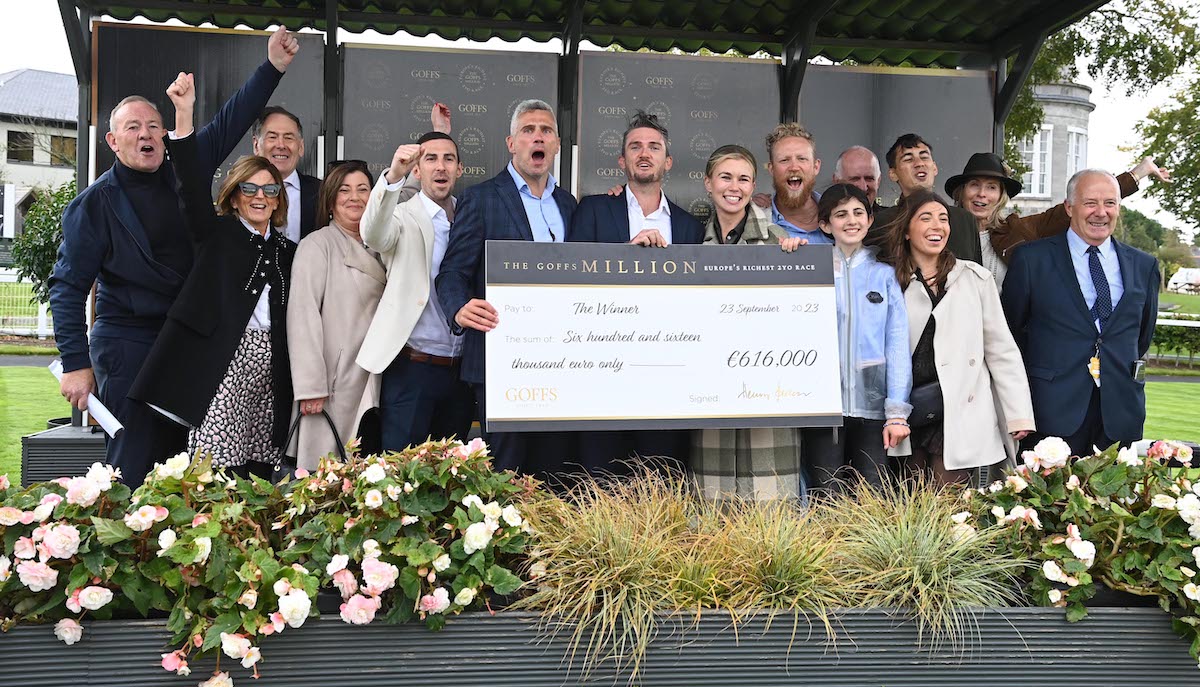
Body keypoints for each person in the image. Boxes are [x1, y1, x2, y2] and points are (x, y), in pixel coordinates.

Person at [47, 28, 298, 485]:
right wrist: (75, 363)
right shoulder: (94, 204)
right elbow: (67, 286)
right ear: (112, 141)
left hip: (191, 343)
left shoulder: (185, 168)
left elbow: (232, 119)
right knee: (134, 466)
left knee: (192, 472)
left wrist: (273, 66)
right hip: (129, 345)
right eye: (133, 128)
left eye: (154, 126)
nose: (146, 135)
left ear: (165, 135)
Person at [129, 72, 296, 478]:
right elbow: (188, 184)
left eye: (270, 191)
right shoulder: (215, 233)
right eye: (250, 189)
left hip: (273, 373)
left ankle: (254, 541)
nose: (260, 197)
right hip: (220, 365)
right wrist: (183, 116)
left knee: (261, 471)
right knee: (214, 472)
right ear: (235, 195)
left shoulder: (290, 252)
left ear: (279, 200)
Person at [435, 99, 577, 477]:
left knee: (555, 473)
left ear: (557, 144)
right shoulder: (480, 199)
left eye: (546, 130)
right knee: (505, 475)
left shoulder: (569, 204)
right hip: (502, 364)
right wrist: (459, 308)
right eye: (528, 130)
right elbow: (451, 273)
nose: (538, 137)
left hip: (562, 363)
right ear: (511, 143)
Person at [568, 109, 704, 473]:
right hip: (602, 375)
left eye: (654, 147)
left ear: (668, 161)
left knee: (663, 479)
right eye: (635, 147)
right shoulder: (593, 210)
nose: (644, 154)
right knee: (600, 481)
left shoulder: (690, 226)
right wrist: (627, 256)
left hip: (668, 378)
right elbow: (571, 286)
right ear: (622, 159)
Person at [1001, 170, 1160, 458]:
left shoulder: (1144, 265)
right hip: (1050, 411)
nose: (1101, 212)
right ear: (1069, 207)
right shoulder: (1031, 259)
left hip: (1119, 413)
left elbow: (1142, 336)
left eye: (1110, 203)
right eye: (1090, 203)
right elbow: (1010, 334)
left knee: (1115, 502)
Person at [880, 190, 1034, 485]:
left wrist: (1018, 414)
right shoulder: (888, 280)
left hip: (960, 408)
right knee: (908, 502)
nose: (937, 226)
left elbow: (1001, 350)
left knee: (951, 504)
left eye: (943, 219)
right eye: (926, 218)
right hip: (909, 411)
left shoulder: (975, 279)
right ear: (907, 230)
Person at [691, 144, 806, 500]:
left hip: (768, 397)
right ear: (708, 183)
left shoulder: (779, 243)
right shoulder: (690, 243)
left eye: (743, 179)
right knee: (712, 516)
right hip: (708, 395)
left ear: (754, 185)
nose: (734, 187)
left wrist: (798, 266)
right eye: (725, 177)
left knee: (772, 514)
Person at [358, 132, 475, 453]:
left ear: (460, 169)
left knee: (451, 478)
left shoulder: (472, 214)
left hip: (462, 372)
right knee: (400, 474)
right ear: (418, 171)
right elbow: (374, 234)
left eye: (449, 159)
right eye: (431, 159)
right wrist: (393, 176)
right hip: (412, 370)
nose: (441, 167)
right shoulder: (402, 215)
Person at [802, 184, 911, 494]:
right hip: (822, 404)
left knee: (872, 492)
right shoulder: (811, 271)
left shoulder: (883, 276)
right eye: (840, 214)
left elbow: (897, 343)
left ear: (870, 219)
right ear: (825, 224)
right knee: (826, 492)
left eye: (858, 213)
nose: (851, 221)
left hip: (874, 407)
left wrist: (897, 411)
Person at [944, 152, 1170, 287]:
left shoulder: (1018, 230)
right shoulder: (941, 232)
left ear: (1000, 196)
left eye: (991, 187)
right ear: (962, 192)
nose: (982, 194)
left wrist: (1138, 173)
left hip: (1004, 339)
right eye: (974, 185)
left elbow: (1083, 201)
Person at [285, 161, 384, 469]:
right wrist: (310, 386)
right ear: (330, 200)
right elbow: (302, 318)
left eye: (363, 189)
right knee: (324, 477)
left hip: (376, 376)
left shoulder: (383, 247)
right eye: (344, 190)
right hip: (333, 382)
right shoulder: (317, 245)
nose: (354, 197)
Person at [866, 133, 983, 265]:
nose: (919, 163)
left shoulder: (964, 219)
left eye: (924, 157)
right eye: (908, 159)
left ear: (934, 168)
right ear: (893, 174)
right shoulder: (880, 223)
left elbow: (978, 278)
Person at [251, 106, 318, 243]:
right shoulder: (242, 193)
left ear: (301, 147)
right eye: (272, 137)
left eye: (288, 138)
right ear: (256, 145)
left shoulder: (322, 192)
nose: (281, 145)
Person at [763, 123, 831, 244]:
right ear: (771, 169)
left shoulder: (839, 215)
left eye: (802, 159)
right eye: (784, 160)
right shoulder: (758, 221)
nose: (794, 167)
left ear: (816, 166)